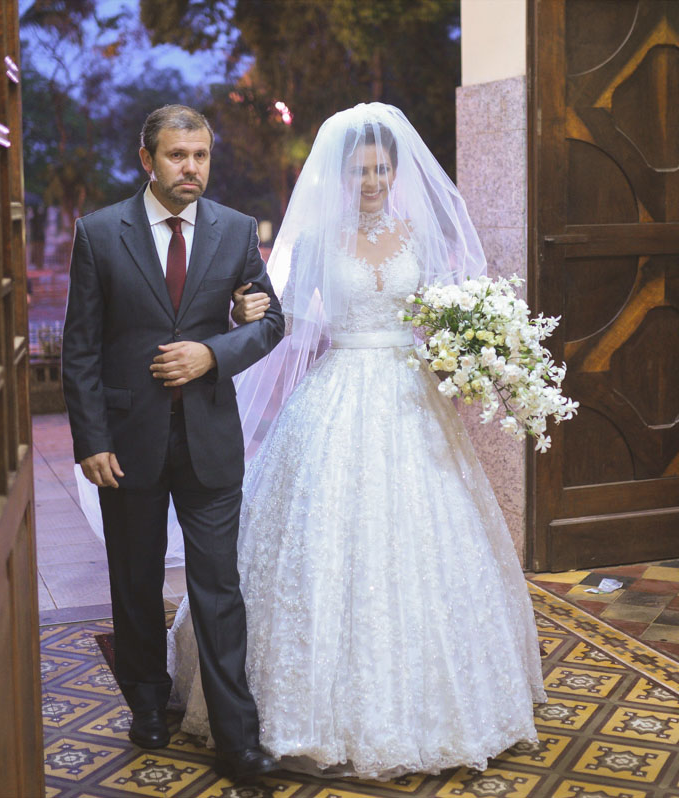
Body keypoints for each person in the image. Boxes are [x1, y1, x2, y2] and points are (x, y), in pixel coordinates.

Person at [168, 103, 546, 779]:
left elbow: (446, 309)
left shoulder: (420, 235)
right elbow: (276, 310)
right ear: (341, 174)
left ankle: (448, 707)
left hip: (411, 397)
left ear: (395, 172)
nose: (370, 180)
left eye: (380, 169)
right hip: (338, 390)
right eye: (360, 169)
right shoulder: (317, 239)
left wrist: (476, 347)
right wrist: (243, 314)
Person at [61, 104, 284, 782]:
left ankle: (237, 739)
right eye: (177, 156)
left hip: (211, 441)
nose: (191, 168)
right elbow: (81, 349)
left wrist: (213, 353)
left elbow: (271, 321)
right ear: (147, 159)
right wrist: (90, 439)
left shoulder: (237, 231)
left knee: (218, 588)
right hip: (127, 443)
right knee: (134, 583)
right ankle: (147, 704)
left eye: (201, 156)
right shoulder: (100, 234)